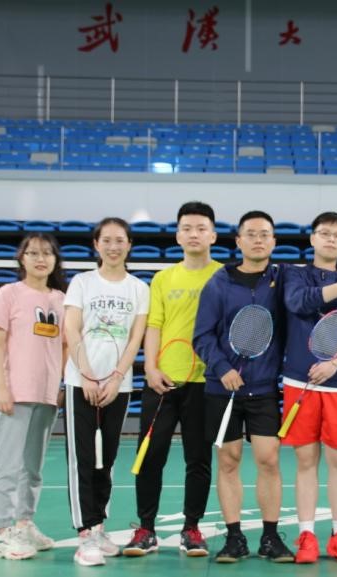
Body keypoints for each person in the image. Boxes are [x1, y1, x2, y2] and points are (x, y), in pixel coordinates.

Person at [193, 210, 294, 563]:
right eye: (251, 234)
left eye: (265, 234)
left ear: (273, 242)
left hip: (263, 388)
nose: (258, 240)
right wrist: (221, 368)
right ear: (238, 241)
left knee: (269, 459)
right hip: (223, 390)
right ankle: (234, 537)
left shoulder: (283, 278)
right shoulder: (218, 283)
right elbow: (202, 335)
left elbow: (320, 276)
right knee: (229, 460)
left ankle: (270, 538)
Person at [124, 202, 223, 558]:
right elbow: (154, 326)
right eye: (187, 228)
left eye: (201, 228)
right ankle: (146, 528)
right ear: (178, 235)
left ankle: (191, 528)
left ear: (213, 235)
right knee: (150, 456)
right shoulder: (163, 279)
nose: (194, 234)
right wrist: (150, 368)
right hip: (162, 382)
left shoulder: (223, 276)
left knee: (199, 459)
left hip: (204, 383)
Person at [281, 211, 337, 564]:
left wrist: (335, 362)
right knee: (305, 461)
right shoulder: (295, 274)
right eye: (325, 233)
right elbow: (299, 302)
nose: (331, 239)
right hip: (299, 380)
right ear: (312, 238)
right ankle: (306, 535)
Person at [64, 217, 150, 566]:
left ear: (129, 245)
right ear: (96, 245)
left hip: (119, 386)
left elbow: (135, 339)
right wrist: (86, 374)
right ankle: (85, 533)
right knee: (82, 459)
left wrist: (115, 378)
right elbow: (71, 329)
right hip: (80, 383)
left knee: (107, 459)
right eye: (107, 240)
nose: (114, 246)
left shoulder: (139, 288)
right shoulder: (81, 283)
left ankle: (99, 525)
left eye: (120, 240)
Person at [0, 232, 66, 560]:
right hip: (15, 392)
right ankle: (2, 532)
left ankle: (24, 523)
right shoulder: (8, 294)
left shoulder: (61, 299)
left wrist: (59, 384)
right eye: (33, 253)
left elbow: (65, 346)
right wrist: (1, 386)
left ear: (55, 260)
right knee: (6, 465)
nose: (40, 259)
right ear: (22, 259)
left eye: (47, 253)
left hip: (46, 395)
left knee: (32, 468)